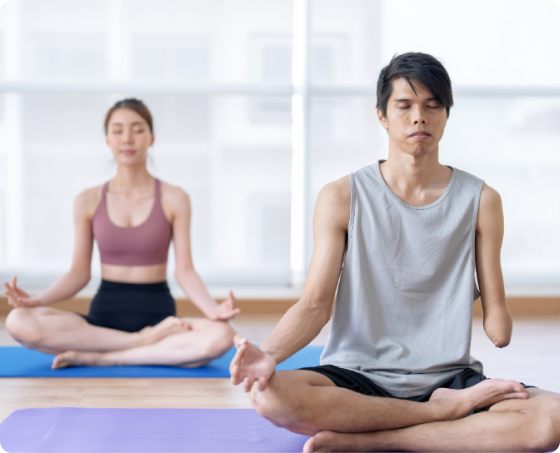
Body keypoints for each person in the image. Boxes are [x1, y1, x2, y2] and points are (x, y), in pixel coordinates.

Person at [229, 53, 560, 452]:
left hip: (449, 379)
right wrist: (268, 355)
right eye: (404, 106)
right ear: (382, 116)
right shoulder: (341, 196)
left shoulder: (482, 199)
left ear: (446, 115)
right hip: (359, 378)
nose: (418, 117)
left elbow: (498, 328)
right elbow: (315, 305)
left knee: (551, 420)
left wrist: (496, 312)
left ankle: (372, 441)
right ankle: (437, 417)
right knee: (271, 396)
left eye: (432, 106)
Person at [4, 98, 238, 370]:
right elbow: (79, 273)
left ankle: (105, 356)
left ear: (151, 138)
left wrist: (212, 310)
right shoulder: (87, 200)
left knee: (223, 334)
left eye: (137, 130)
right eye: (118, 130)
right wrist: (37, 300)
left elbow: (185, 270)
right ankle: (140, 343)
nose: (127, 139)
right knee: (18, 321)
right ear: (107, 139)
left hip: (159, 317)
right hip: (104, 318)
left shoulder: (175, 198)